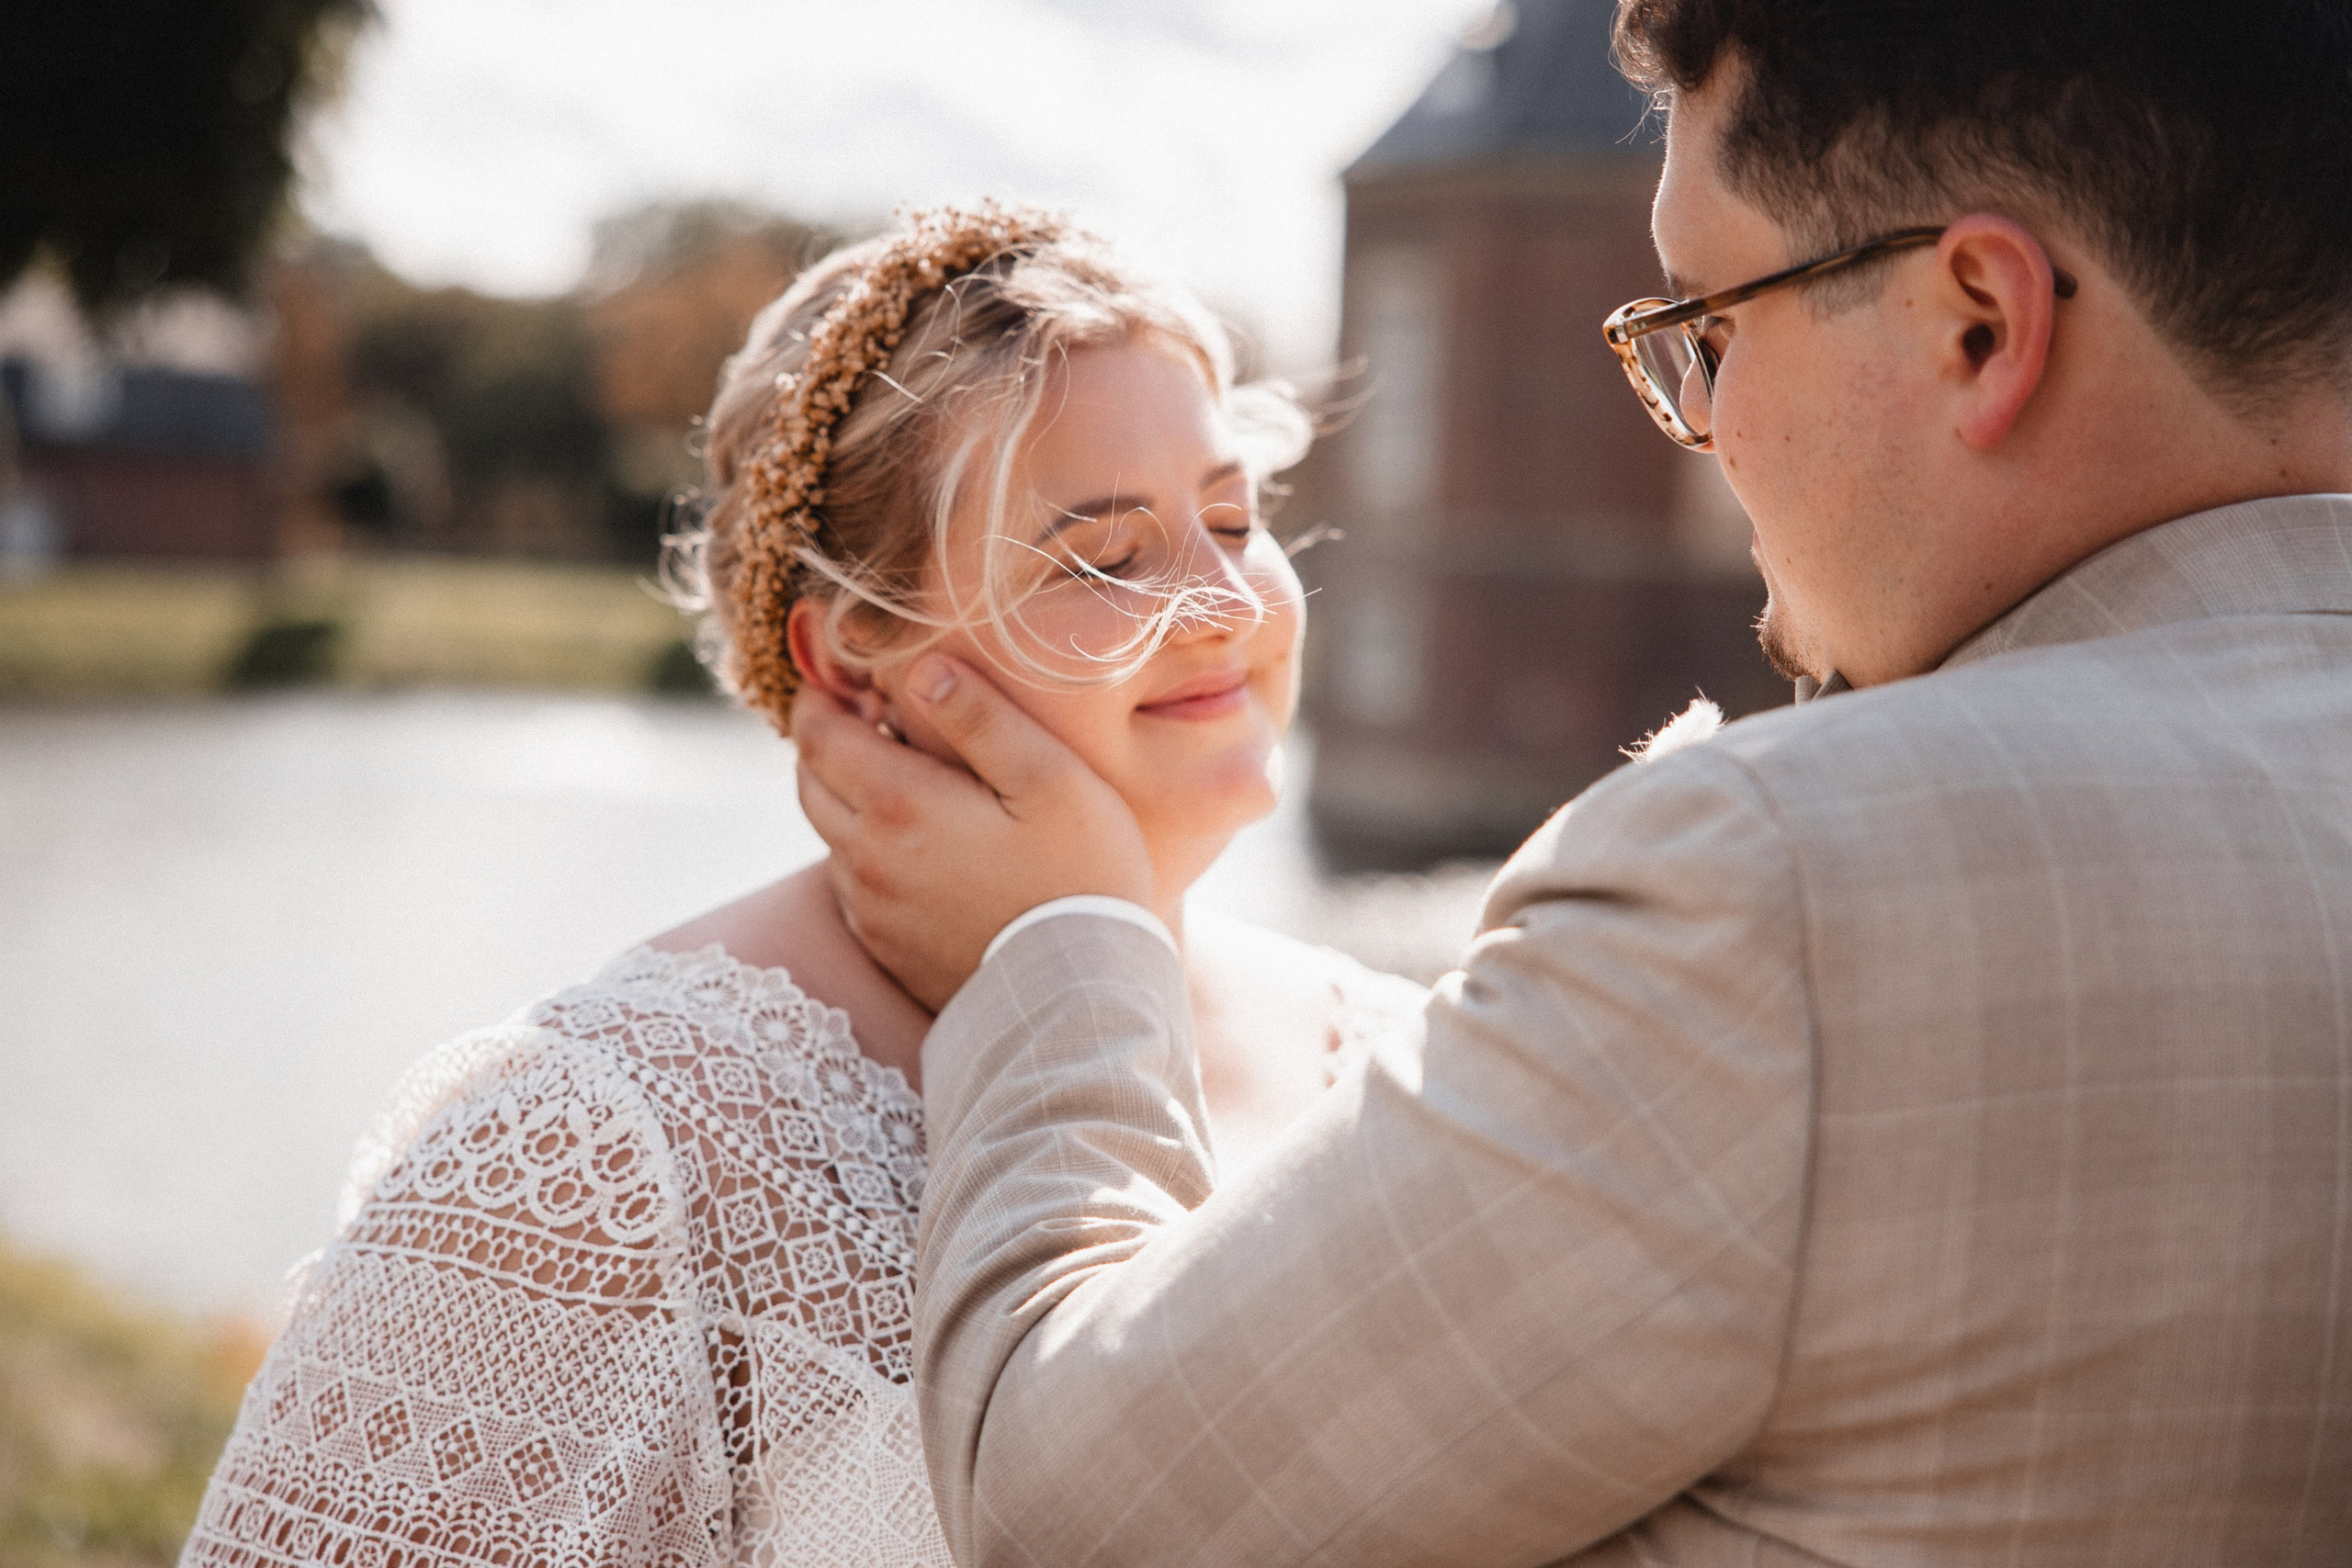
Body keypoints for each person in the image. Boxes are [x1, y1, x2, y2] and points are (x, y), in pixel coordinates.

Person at [791, 6, 2352, 1564]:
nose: (1700, 421)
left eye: (1714, 324)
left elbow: (1070, 1515)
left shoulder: (1784, 882)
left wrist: (1064, 933)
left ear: (1979, 327)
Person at [178, 206, 1423, 1568]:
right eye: (1107, 557)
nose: (1236, 605)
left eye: (1236, 518)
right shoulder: (597, 1152)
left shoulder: (1396, 1058)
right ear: (849, 667)